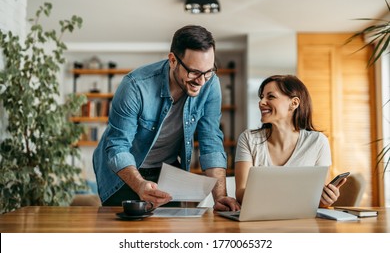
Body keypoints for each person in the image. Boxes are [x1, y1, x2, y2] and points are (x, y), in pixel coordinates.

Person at [93, 25, 239, 211]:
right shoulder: (135, 86)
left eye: (208, 71)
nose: (201, 81)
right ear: (172, 60)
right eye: (194, 72)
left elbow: (211, 140)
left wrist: (220, 197)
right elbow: (117, 146)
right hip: (125, 174)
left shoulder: (210, 85)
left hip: (168, 172)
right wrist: (139, 184)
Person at [234, 75, 346, 207]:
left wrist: (327, 198)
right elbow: (241, 193)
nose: (261, 102)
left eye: (270, 97)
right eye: (261, 97)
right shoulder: (248, 138)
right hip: (258, 221)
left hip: (301, 221)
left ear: (294, 103)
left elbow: (319, 200)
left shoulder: (317, 142)